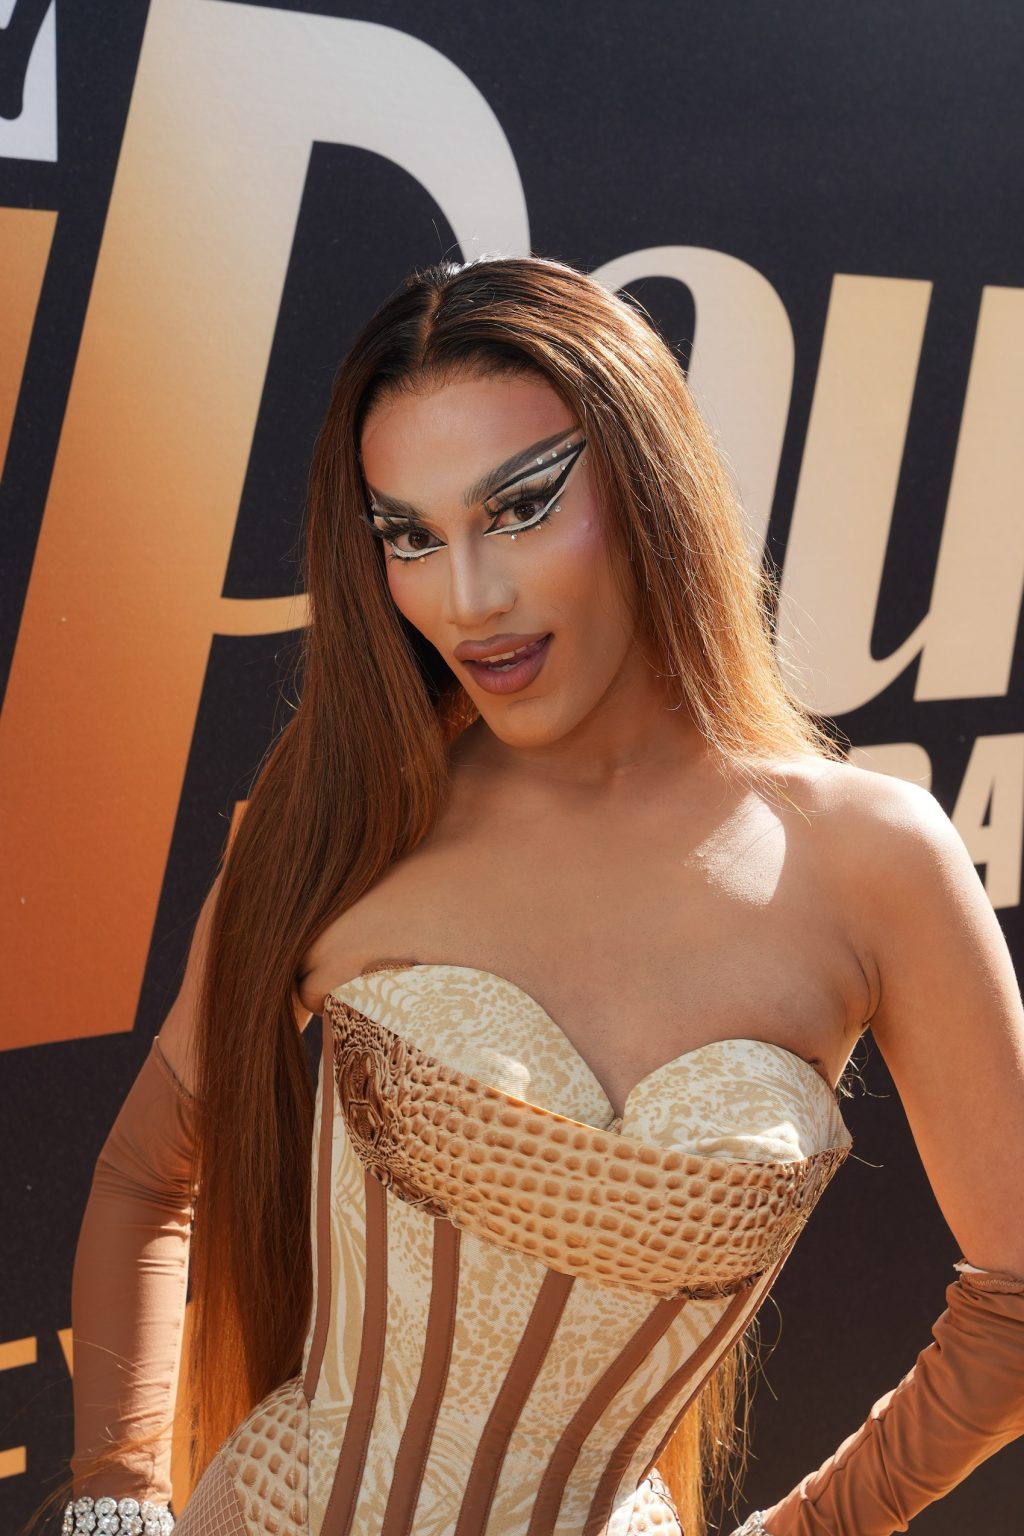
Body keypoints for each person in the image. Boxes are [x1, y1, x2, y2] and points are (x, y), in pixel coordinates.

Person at [64, 254, 1024, 1536]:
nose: (467, 598)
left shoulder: (872, 860)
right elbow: (145, 1178)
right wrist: (118, 1504)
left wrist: (811, 1528)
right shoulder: (347, 809)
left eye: (518, 507)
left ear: (647, 483)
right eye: (408, 535)